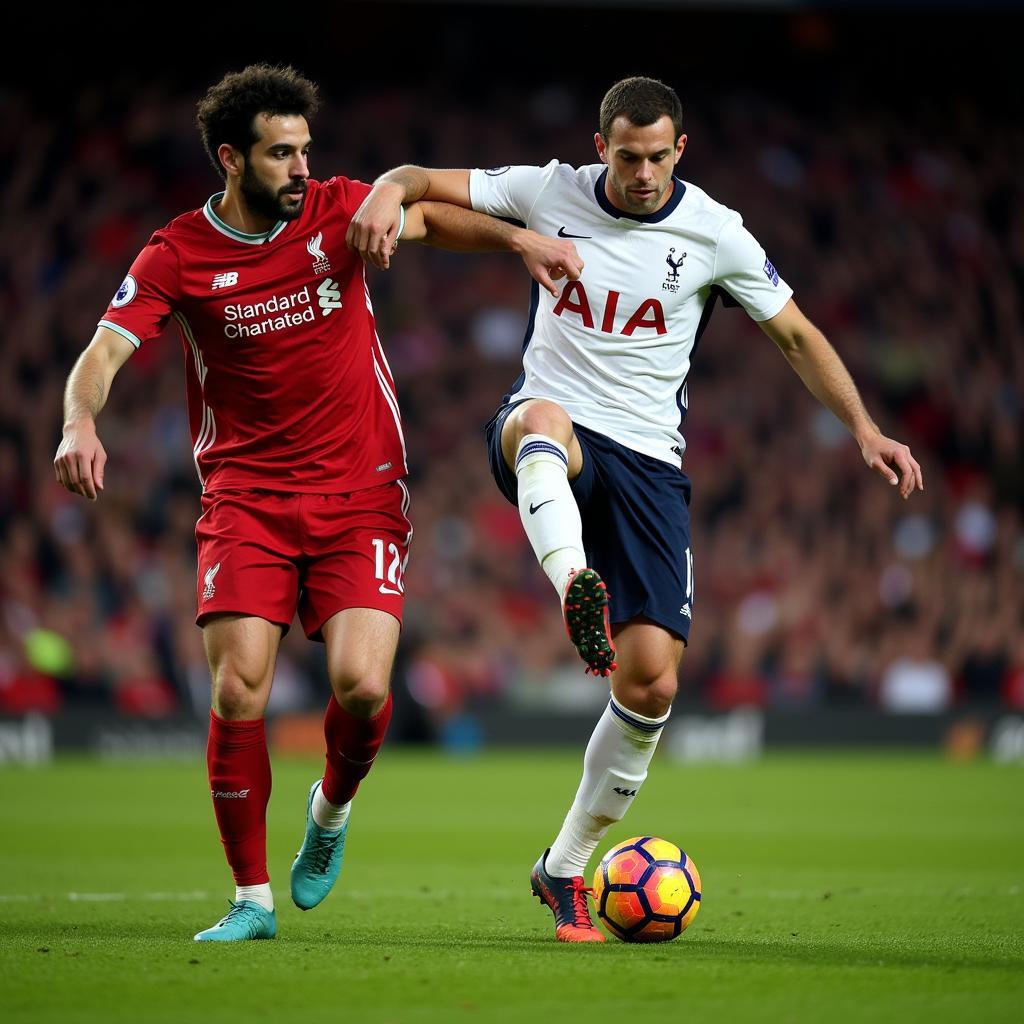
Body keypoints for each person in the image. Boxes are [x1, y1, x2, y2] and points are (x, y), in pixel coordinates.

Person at [348, 76, 924, 942]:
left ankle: (564, 866)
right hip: (555, 428)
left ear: (680, 150)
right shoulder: (551, 189)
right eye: (627, 155)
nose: (644, 172)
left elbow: (797, 334)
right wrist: (389, 192)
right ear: (600, 146)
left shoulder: (716, 233)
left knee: (651, 680)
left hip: (652, 464)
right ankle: (574, 579)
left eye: (659, 157)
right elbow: (417, 181)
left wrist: (866, 428)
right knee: (539, 422)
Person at [53, 64, 581, 943]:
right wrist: (79, 424)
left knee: (365, 689)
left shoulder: (339, 208)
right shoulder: (177, 252)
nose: (302, 168)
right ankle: (251, 900)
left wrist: (519, 244)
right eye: (280, 153)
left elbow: (426, 217)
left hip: (360, 491)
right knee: (238, 689)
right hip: (247, 497)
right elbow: (102, 355)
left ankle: (329, 812)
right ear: (231, 158)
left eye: (306, 149)